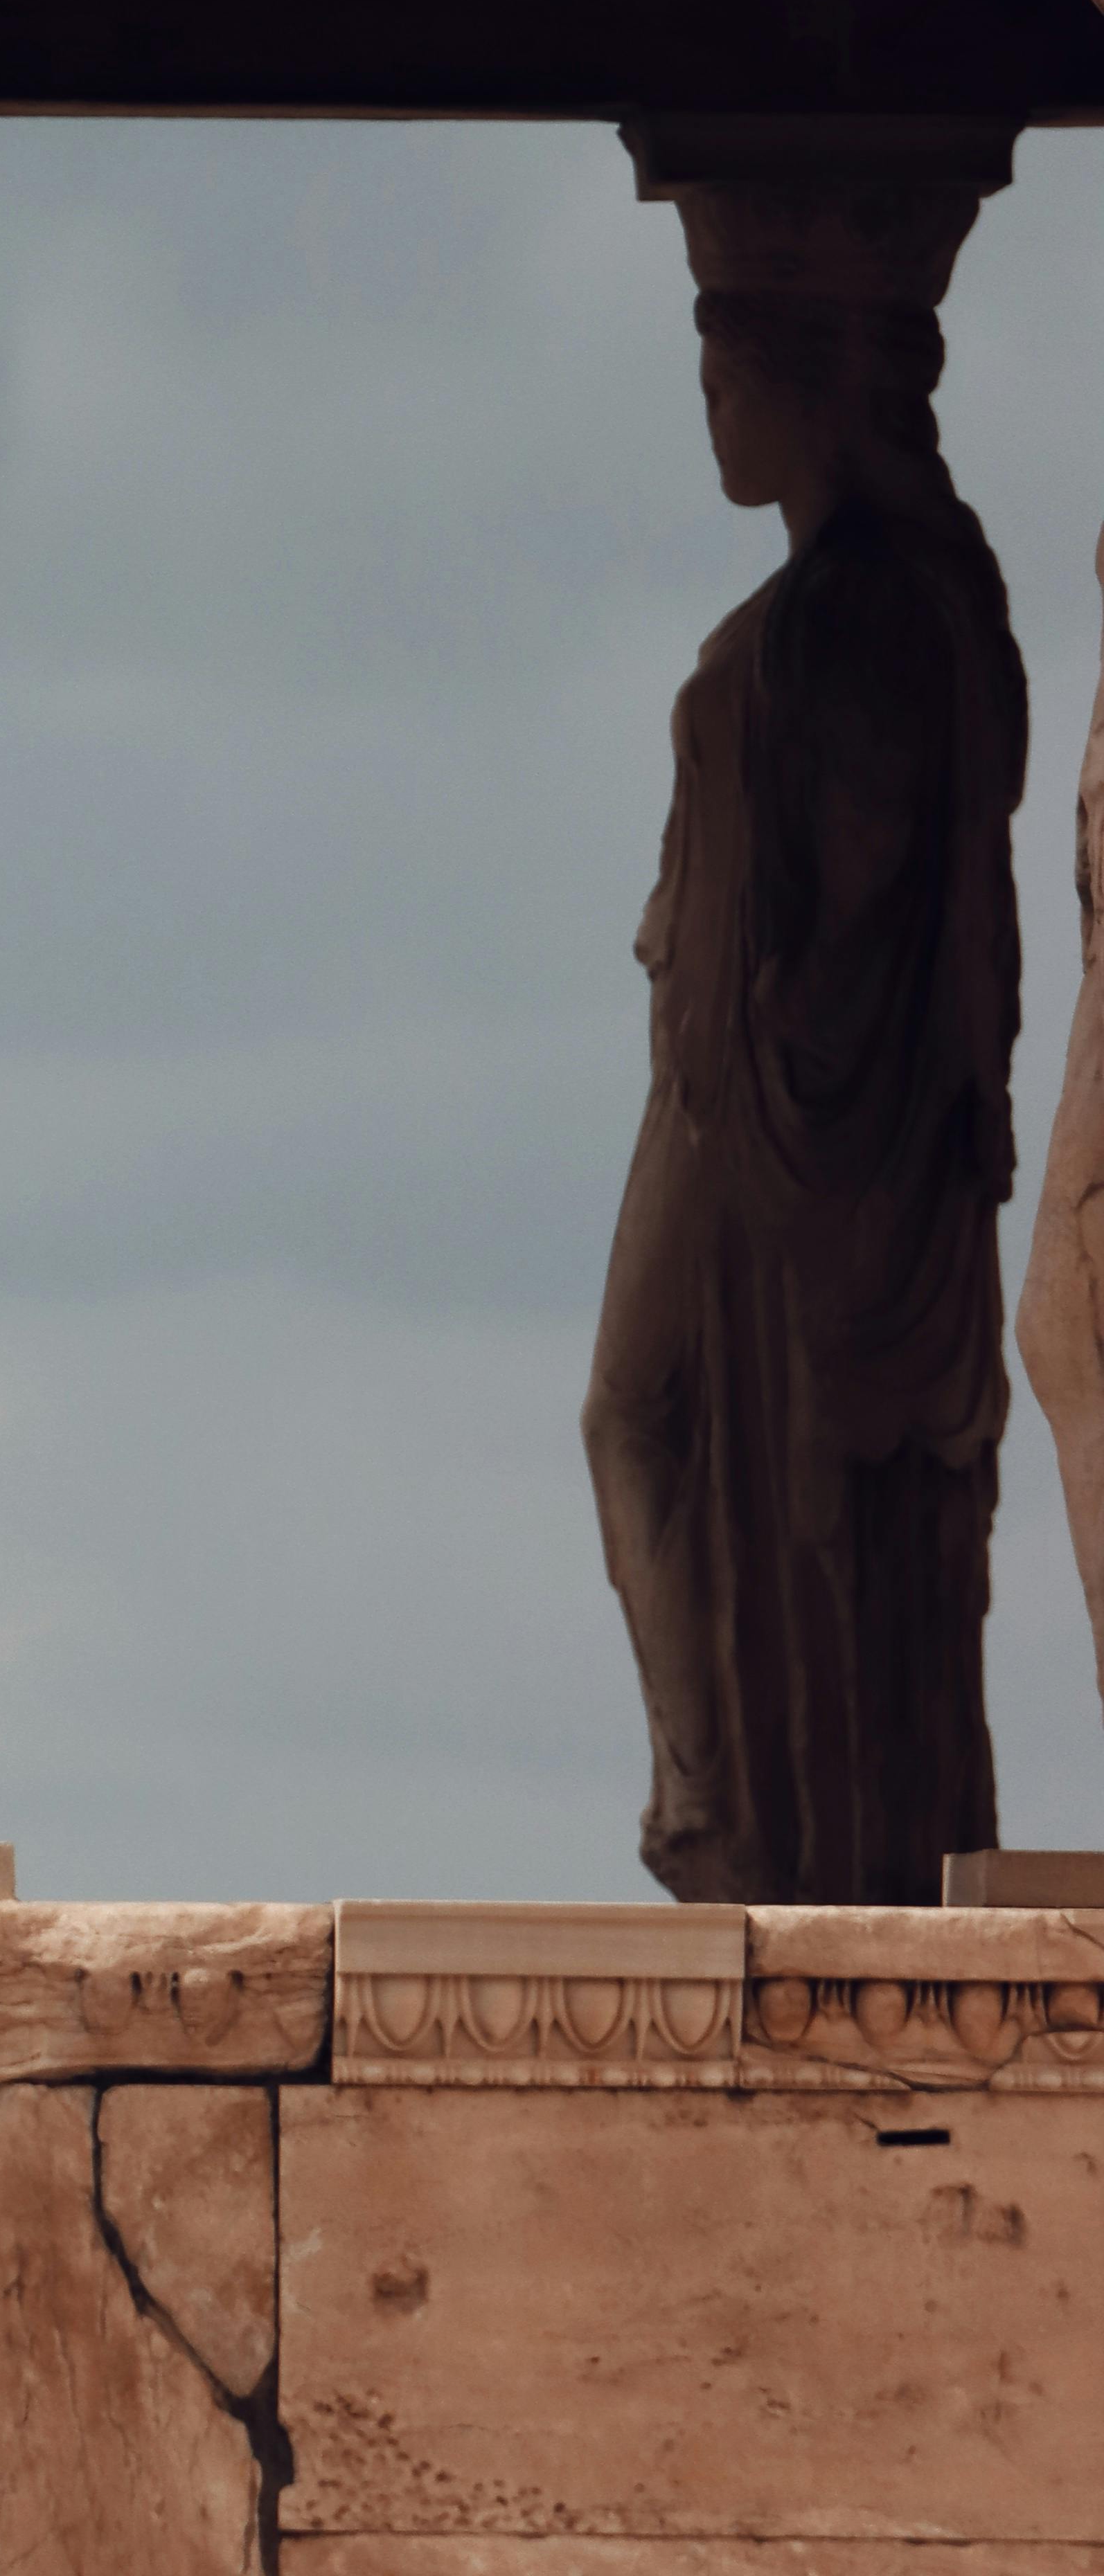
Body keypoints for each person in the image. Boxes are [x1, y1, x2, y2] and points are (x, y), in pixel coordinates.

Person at [585, 184, 1025, 1906]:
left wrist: (749, 1035)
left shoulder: (868, 620)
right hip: (733, 1094)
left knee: (648, 1420)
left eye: (724, 370)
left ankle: (731, 1813)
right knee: (631, 1420)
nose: (708, 407)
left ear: (819, 375)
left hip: (788, 1141)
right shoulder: (885, 609)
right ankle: (707, 1793)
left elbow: (854, 927)